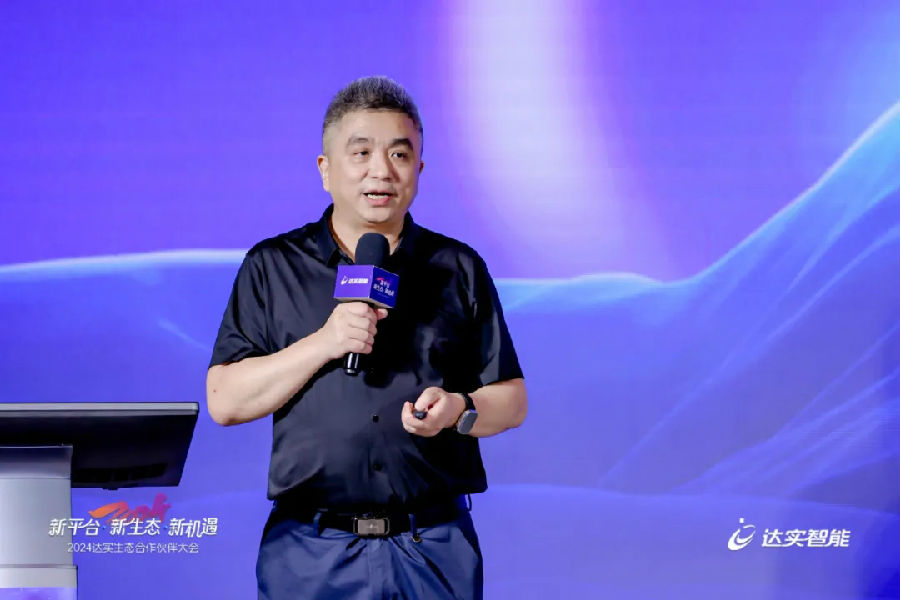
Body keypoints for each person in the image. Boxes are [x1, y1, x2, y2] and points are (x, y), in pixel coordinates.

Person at [206, 76, 527, 600]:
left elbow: (511, 400)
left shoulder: (458, 267)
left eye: (400, 154)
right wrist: (325, 342)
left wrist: (458, 409)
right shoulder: (272, 266)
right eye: (361, 153)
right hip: (310, 550)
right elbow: (224, 401)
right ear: (325, 169)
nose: (381, 171)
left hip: (433, 545)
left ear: (419, 170)